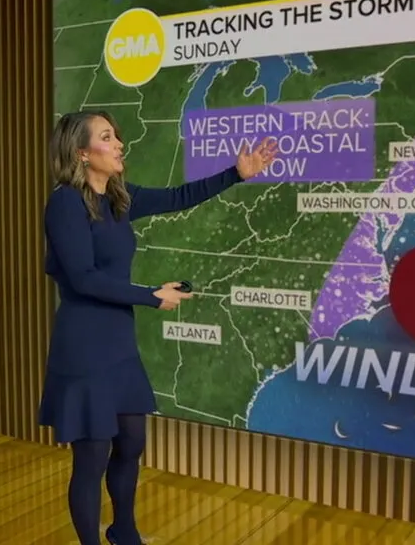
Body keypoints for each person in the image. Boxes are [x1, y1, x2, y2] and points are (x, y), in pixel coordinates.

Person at [40, 110, 278, 545]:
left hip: (118, 343)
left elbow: (177, 197)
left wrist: (236, 174)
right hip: (84, 347)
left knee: (131, 443)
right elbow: (83, 279)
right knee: (92, 456)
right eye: (107, 137)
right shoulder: (65, 204)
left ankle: (123, 531)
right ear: (81, 153)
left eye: (116, 135)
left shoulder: (119, 197)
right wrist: (151, 295)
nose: (119, 144)